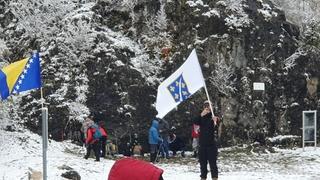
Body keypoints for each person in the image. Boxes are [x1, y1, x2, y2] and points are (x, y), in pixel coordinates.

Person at [194, 100, 219, 180]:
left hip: (211, 146)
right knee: (203, 165)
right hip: (202, 146)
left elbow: (217, 128)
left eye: (208, 106)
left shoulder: (214, 116)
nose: (207, 108)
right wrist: (201, 114)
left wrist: (216, 121)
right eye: (205, 106)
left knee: (213, 165)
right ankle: (203, 177)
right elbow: (195, 122)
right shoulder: (201, 117)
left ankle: (214, 178)